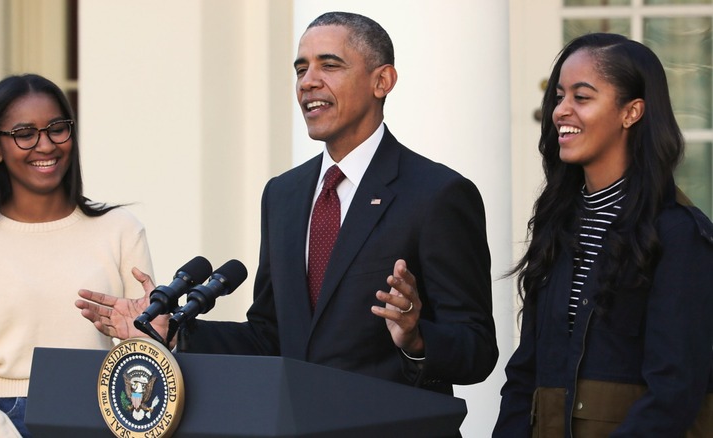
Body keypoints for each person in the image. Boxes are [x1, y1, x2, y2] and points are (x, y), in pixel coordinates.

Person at [78, 11, 497, 395]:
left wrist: (415, 336)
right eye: (301, 69)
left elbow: (477, 349)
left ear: (381, 81)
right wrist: (176, 332)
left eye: (329, 65)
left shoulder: (437, 194)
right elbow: (270, 336)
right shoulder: (283, 195)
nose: (307, 81)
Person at [493, 33, 713, 437]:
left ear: (631, 112)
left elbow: (675, 391)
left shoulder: (680, 234)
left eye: (582, 97)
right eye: (559, 96)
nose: (561, 111)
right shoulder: (557, 223)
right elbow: (526, 372)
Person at [0, 74, 154, 437]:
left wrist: (154, 339)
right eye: (25, 134)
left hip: (107, 415)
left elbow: (145, 358)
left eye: (57, 128)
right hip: (7, 418)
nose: (46, 145)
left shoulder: (121, 229)